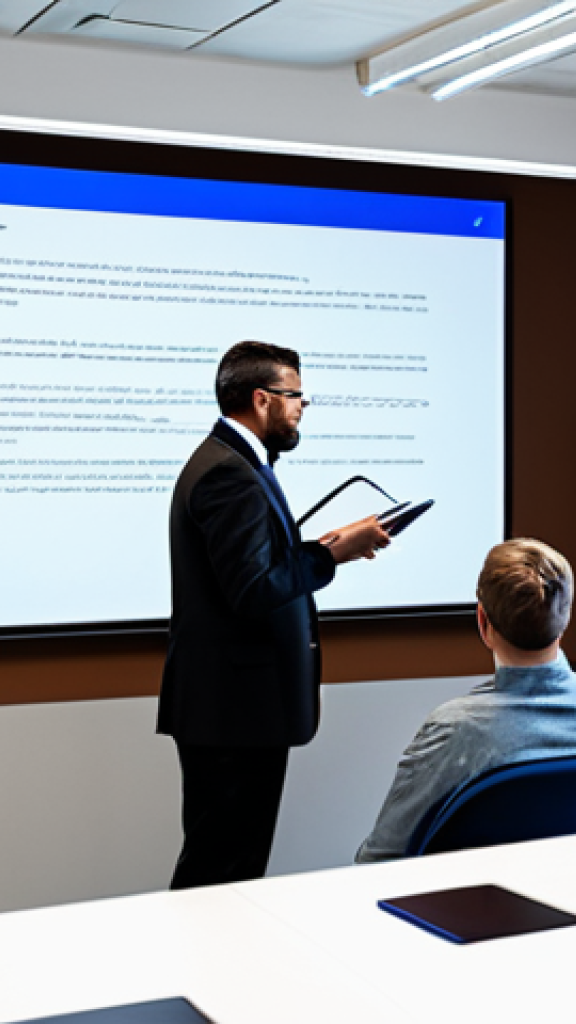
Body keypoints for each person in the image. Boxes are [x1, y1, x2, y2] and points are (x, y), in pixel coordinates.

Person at [159, 340, 389, 889]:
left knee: (230, 868)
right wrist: (331, 555)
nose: (302, 406)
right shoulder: (228, 474)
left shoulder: (233, 462)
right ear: (262, 399)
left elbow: (253, 570)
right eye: (295, 395)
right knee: (220, 869)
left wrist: (322, 548)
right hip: (234, 712)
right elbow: (254, 588)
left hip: (235, 710)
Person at [355, 538, 576, 862]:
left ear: (483, 622)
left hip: (478, 896)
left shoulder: (454, 731)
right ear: (566, 616)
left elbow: (380, 860)